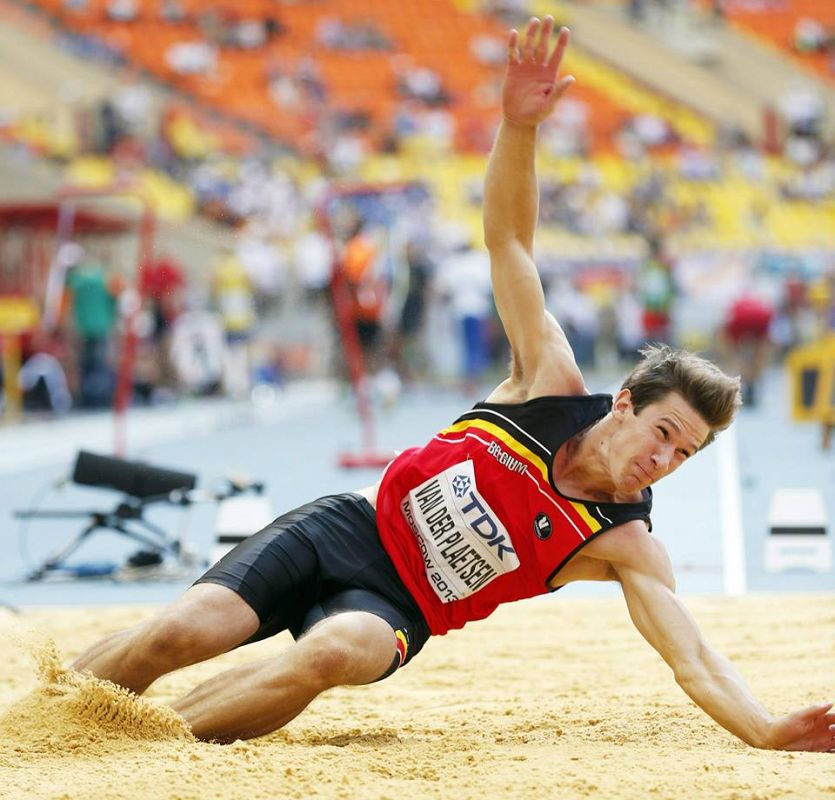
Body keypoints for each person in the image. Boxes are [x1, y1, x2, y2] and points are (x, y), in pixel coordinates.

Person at [71, 19, 835, 753]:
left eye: (684, 456)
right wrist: (520, 129)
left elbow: (692, 659)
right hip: (346, 529)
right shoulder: (548, 383)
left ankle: (155, 745)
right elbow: (508, 241)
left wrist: (764, 727)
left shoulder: (624, 542)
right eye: (664, 435)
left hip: (398, 607)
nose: (663, 462)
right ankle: (50, 712)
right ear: (624, 401)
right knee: (180, 633)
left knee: (334, 650)